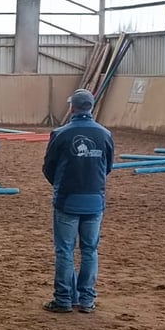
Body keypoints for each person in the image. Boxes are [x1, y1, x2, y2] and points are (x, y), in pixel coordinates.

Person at [42, 88, 114, 314]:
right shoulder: (105, 134)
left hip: (68, 199)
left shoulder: (60, 134)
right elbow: (108, 166)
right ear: (90, 107)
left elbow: (49, 167)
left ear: (72, 107)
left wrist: (61, 184)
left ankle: (63, 299)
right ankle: (86, 299)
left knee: (65, 250)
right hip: (94, 199)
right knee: (90, 250)